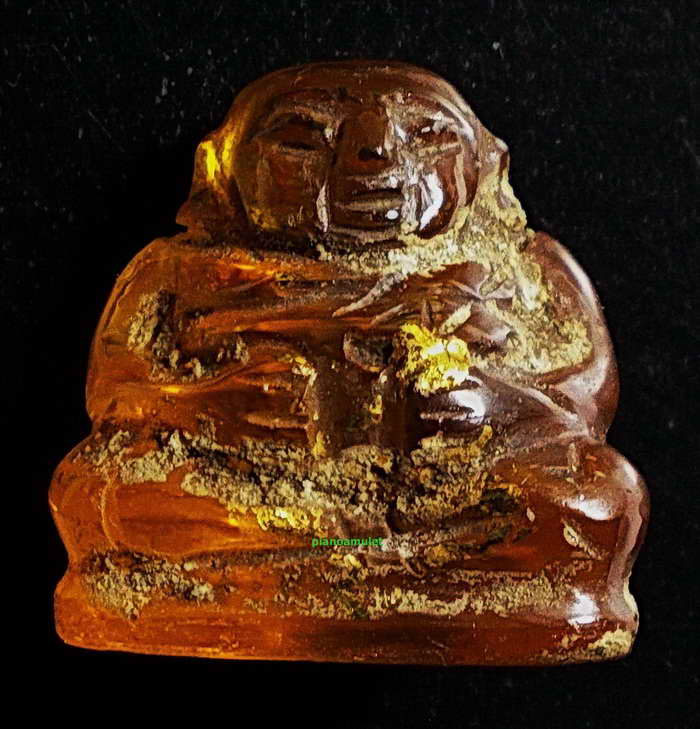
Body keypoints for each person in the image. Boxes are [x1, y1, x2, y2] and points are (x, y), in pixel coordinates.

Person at [51, 61, 648, 664]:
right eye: (301, 139)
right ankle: (362, 563)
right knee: (108, 491)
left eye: (428, 136)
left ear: (485, 166)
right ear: (222, 172)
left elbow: (586, 398)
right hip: (252, 490)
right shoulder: (180, 272)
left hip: (448, 497)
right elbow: (116, 396)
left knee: (599, 496)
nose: (373, 156)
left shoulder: (519, 269)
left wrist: (488, 405)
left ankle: (299, 569)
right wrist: (212, 405)